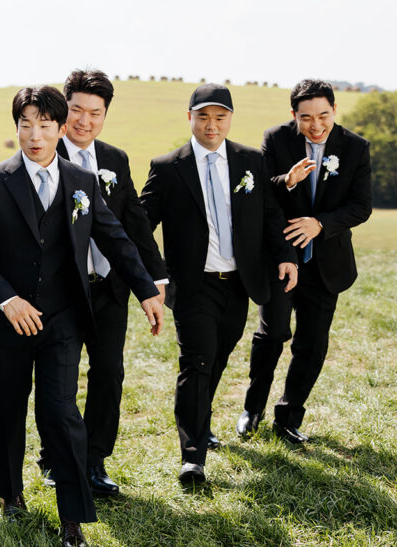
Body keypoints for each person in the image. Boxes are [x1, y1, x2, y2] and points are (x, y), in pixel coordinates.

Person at [0, 85, 164, 547]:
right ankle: (11, 497)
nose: (35, 135)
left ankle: (72, 518)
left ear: (60, 128)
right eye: (26, 125)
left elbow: (115, 238)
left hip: (63, 319)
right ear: (16, 128)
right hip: (8, 322)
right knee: (7, 408)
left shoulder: (82, 181)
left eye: (45, 125)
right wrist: (6, 300)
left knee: (62, 412)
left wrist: (147, 287)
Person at [140, 82, 297, 486]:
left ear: (230, 119)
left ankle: (201, 420)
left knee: (217, 357)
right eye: (204, 117)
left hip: (239, 283)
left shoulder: (250, 160)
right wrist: (153, 275)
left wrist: (285, 255)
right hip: (193, 285)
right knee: (196, 363)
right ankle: (192, 457)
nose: (212, 125)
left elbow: (270, 213)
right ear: (189, 118)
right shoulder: (167, 167)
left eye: (220, 117)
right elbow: (141, 225)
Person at [36, 69, 167, 497]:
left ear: (105, 115)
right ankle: (55, 458)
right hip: (61, 291)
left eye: (95, 113)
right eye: (77, 110)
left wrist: (154, 279)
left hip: (109, 286)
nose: (84, 121)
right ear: (64, 110)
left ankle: (94, 460)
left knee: (109, 372)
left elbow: (134, 222)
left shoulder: (115, 159)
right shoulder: (44, 152)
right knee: (59, 378)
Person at [237, 79, 372, 444]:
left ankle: (288, 417)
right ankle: (252, 409)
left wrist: (321, 224)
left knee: (312, 344)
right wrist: (288, 181)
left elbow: (361, 206)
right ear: (293, 114)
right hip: (281, 257)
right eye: (307, 117)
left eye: (323, 116)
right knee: (272, 334)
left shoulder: (356, 147)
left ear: (335, 110)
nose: (316, 125)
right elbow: (262, 192)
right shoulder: (276, 139)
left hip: (327, 262)